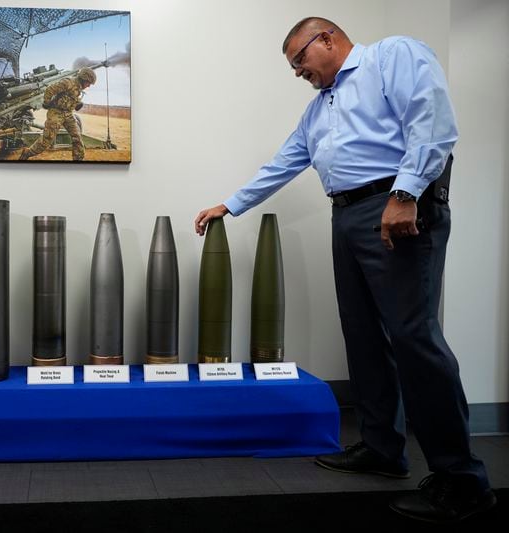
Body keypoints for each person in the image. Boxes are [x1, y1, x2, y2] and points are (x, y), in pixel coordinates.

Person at [194, 17, 495, 524]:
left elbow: (432, 121)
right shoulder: (319, 110)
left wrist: (405, 195)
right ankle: (382, 450)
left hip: (397, 209)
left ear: (326, 39)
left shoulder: (391, 56)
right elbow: (285, 162)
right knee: (363, 337)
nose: (297, 72)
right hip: (348, 215)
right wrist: (230, 205)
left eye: (298, 60)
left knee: (414, 339)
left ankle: (462, 480)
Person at [19, 67, 97, 161]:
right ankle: (28, 153)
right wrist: (46, 103)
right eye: (88, 83)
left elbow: (69, 97)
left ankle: (79, 160)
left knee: (77, 136)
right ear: (83, 78)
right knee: (47, 140)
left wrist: (77, 102)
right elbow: (50, 90)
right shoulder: (67, 82)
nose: (88, 86)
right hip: (56, 112)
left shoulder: (79, 88)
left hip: (68, 114)